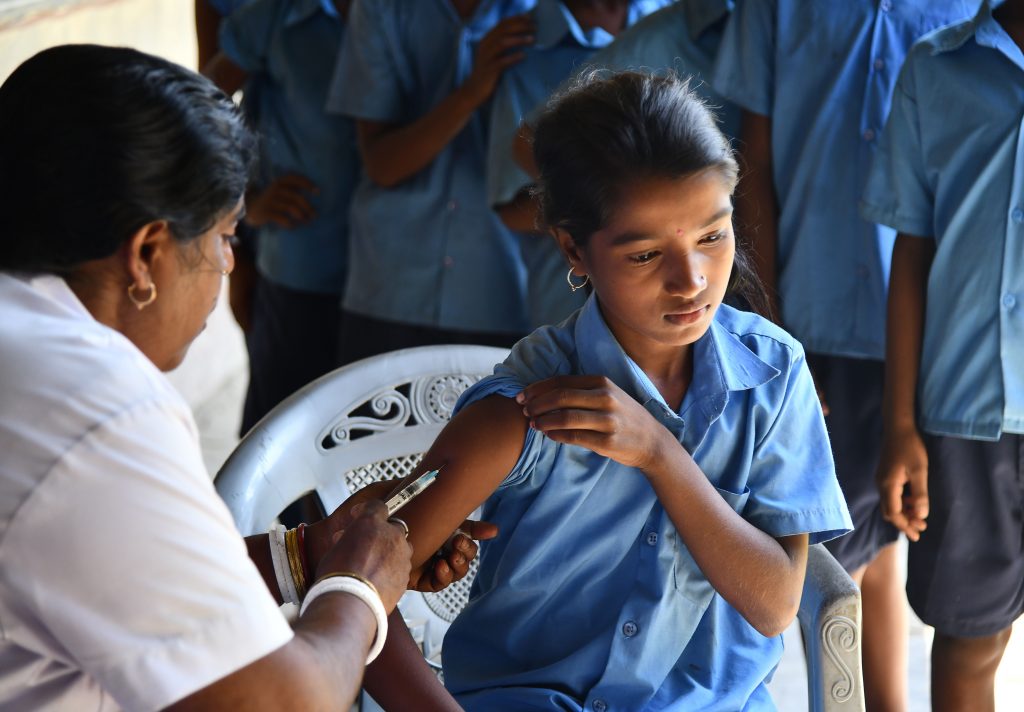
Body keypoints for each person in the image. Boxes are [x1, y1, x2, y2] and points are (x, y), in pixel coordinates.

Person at [0, 44, 484, 711]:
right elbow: (284, 702)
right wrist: (360, 584)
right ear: (147, 254)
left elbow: (123, 566)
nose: (230, 264)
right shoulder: (94, 409)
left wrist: (313, 552)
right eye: (226, 237)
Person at [370, 70, 853, 710]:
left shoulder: (772, 375)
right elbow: (354, 584)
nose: (692, 280)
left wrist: (660, 452)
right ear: (573, 248)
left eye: (713, 236)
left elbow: (773, 604)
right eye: (646, 255)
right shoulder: (526, 409)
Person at [710, 3, 978, 708]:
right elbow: (754, 165)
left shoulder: (971, 11)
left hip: (925, 327)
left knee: (877, 551)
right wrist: (770, 321)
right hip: (812, 321)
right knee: (832, 556)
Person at [860, 1, 1024, 709]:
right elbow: (912, 255)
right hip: (965, 409)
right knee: (969, 637)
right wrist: (901, 426)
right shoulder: (935, 68)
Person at [325, 0, 535, 364]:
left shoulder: (540, 14)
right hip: (390, 290)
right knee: (371, 414)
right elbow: (382, 165)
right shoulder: (382, 10)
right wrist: (471, 92)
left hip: (501, 293)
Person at [202, 0, 360, 435]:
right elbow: (197, 111)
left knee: (364, 436)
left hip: (391, 272)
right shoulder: (279, 15)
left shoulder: (412, 17)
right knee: (284, 428)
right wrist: (244, 201)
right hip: (304, 263)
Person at [486, 0, 670, 329]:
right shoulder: (525, 45)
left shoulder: (675, 28)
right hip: (567, 305)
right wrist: (624, 214)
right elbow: (512, 208)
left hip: (667, 308)